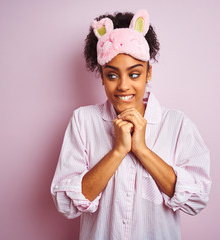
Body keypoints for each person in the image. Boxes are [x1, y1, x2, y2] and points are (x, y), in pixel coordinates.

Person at [51, 9, 211, 240]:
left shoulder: (177, 124)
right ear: (102, 75)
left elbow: (197, 199)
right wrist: (118, 151)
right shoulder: (83, 121)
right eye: (112, 75)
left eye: (134, 74)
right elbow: (66, 204)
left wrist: (141, 150)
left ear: (148, 73)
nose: (123, 86)